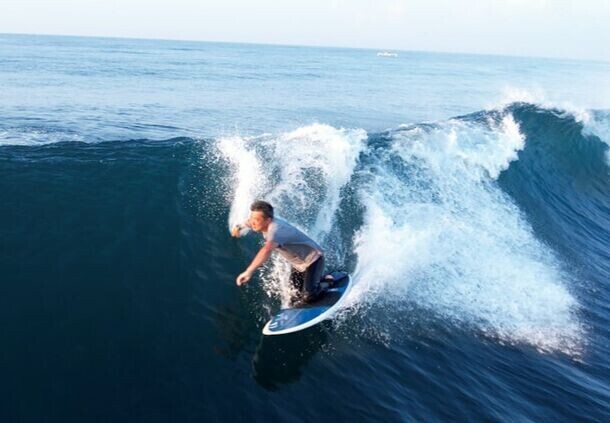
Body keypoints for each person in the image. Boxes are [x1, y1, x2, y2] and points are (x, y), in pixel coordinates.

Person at [231, 200, 325, 303]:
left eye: (256, 219)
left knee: (309, 297)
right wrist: (238, 228)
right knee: (294, 297)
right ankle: (313, 283)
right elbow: (248, 222)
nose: (252, 222)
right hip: (299, 264)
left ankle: (327, 281)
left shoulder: (277, 230)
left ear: (268, 220)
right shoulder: (257, 221)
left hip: (313, 260)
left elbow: (266, 249)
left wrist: (249, 271)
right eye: (251, 218)